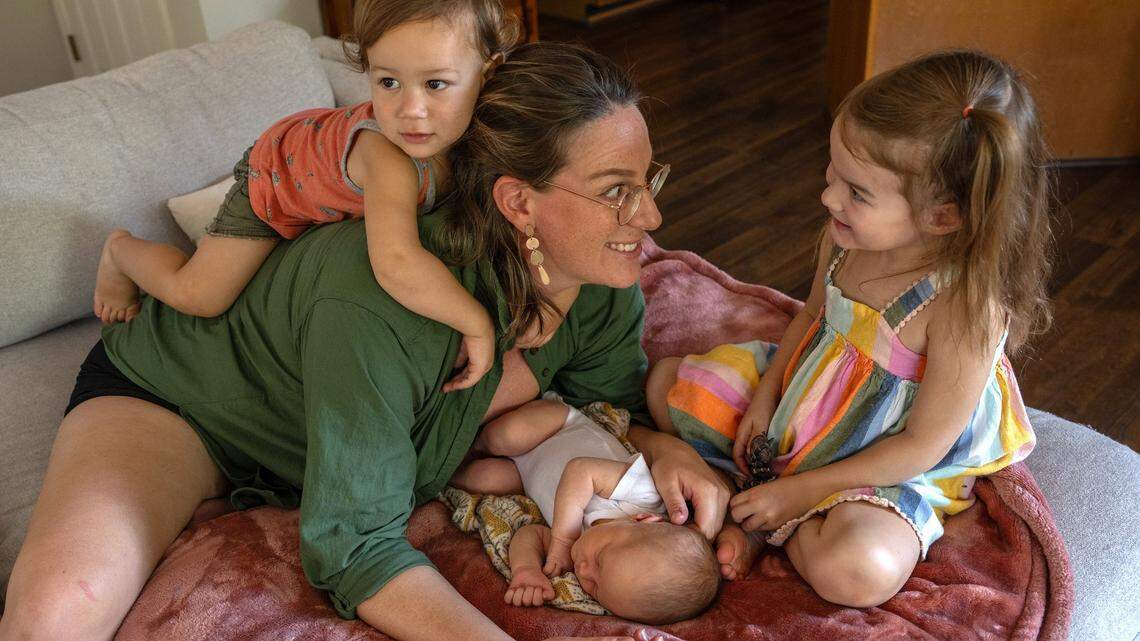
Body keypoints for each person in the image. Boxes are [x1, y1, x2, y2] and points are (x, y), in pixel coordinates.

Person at [0, 42, 730, 641]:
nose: (654, 215)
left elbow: (602, 404)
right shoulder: (384, 300)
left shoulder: (602, 285)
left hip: (322, 420)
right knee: (57, 612)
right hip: (185, 401)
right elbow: (353, 544)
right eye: (616, 190)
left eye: (647, 178)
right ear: (517, 202)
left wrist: (660, 448)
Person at [646, 49, 1051, 608]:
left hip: (885, 461)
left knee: (859, 571)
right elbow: (811, 318)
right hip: (804, 402)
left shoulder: (963, 308)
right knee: (664, 383)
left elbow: (919, 447)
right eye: (833, 173)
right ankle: (766, 506)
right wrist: (765, 398)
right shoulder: (847, 237)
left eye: (857, 192)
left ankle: (771, 523)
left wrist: (800, 492)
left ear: (943, 216)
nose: (828, 197)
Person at [93, 0, 521, 393]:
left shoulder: (480, 136)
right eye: (388, 81)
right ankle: (121, 252)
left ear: (486, 72)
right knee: (201, 296)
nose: (410, 108)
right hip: (278, 179)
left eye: (435, 84)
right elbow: (396, 264)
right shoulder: (388, 158)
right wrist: (476, 323)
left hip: (322, 167)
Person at [450, 393, 720, 624]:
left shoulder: (583, 553)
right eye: (599, 559)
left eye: (596, 589)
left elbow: (531, 534)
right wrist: (563, 537)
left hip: (525, 473)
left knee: (480, 479)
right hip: (557, 427)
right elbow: (581, 469)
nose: (583, 570)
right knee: (505, 436)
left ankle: (437, 466)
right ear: (645, 520)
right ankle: (468, 441)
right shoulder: (642, 496)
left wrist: (527, 570)